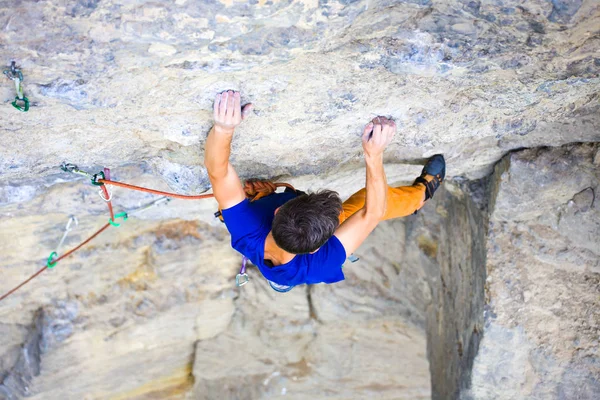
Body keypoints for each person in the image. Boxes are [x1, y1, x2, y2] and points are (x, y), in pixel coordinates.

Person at [204, 90, 445, 292]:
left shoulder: (247, 230)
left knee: (229, 204)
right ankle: (419, 196)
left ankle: (278, 278)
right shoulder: (321, 262)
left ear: (278, 211)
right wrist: (374, 154)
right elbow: (373, 212)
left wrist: (223, 129)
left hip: (277, 238)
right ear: (318, 246)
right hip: (301, 259)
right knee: (366, 201)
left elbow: (219, 172)